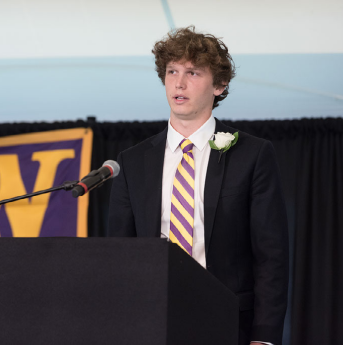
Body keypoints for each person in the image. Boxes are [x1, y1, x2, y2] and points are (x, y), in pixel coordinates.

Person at [108, 26, 288, 345]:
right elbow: (119, 255)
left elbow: (270, 256)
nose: (179, 82)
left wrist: (264, 336)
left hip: (229, 321)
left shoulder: (252, 154)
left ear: (219, 85)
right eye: (172, 71)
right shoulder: (132, 161)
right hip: (151, 322)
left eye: (192, 72)